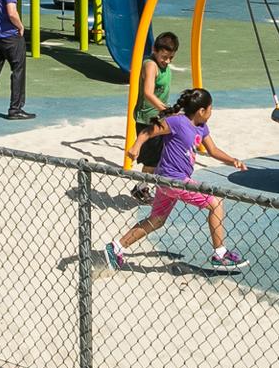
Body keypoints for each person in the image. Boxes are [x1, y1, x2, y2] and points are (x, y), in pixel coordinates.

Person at [103, 88, 250, 273]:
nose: (212, 112)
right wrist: (136, 146)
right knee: (216, 203)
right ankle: (220, 254)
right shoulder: (177, 122)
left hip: (169, 182)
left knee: (157, 220)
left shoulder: (202, 127)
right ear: (201, 111)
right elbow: (148, 131)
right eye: (211, 109)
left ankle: (116, 247)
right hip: (173, 179)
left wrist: (233, 161)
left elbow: (213, 150)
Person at [129, 32, 181, 202]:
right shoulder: (151, 65)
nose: (167, 61)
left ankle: (148, 185)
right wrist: (166, 110)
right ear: (155, 50)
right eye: (164, 57)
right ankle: (141, 188)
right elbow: (148, 93)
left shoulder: (164, 65)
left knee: (162, 154)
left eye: (171, 57)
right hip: (148, 118)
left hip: (160, 116)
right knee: (151, 160)